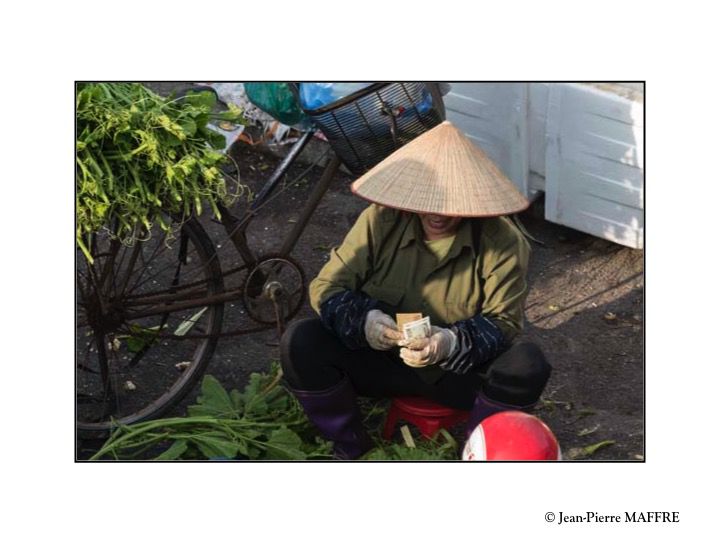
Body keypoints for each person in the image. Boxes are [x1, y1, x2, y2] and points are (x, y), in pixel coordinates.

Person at [280, 121, 552, 459]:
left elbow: (504, 323)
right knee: (301, 340)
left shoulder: (503, 242)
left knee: (527, 363)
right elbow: (327, 287)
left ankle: (477, 453)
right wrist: (364, 322)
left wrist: (449, 342)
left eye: (450, 204)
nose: (436, 215)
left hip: (456, 374)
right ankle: (349, 445)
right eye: (428, 201)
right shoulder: (381, 219)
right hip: (380, 361)